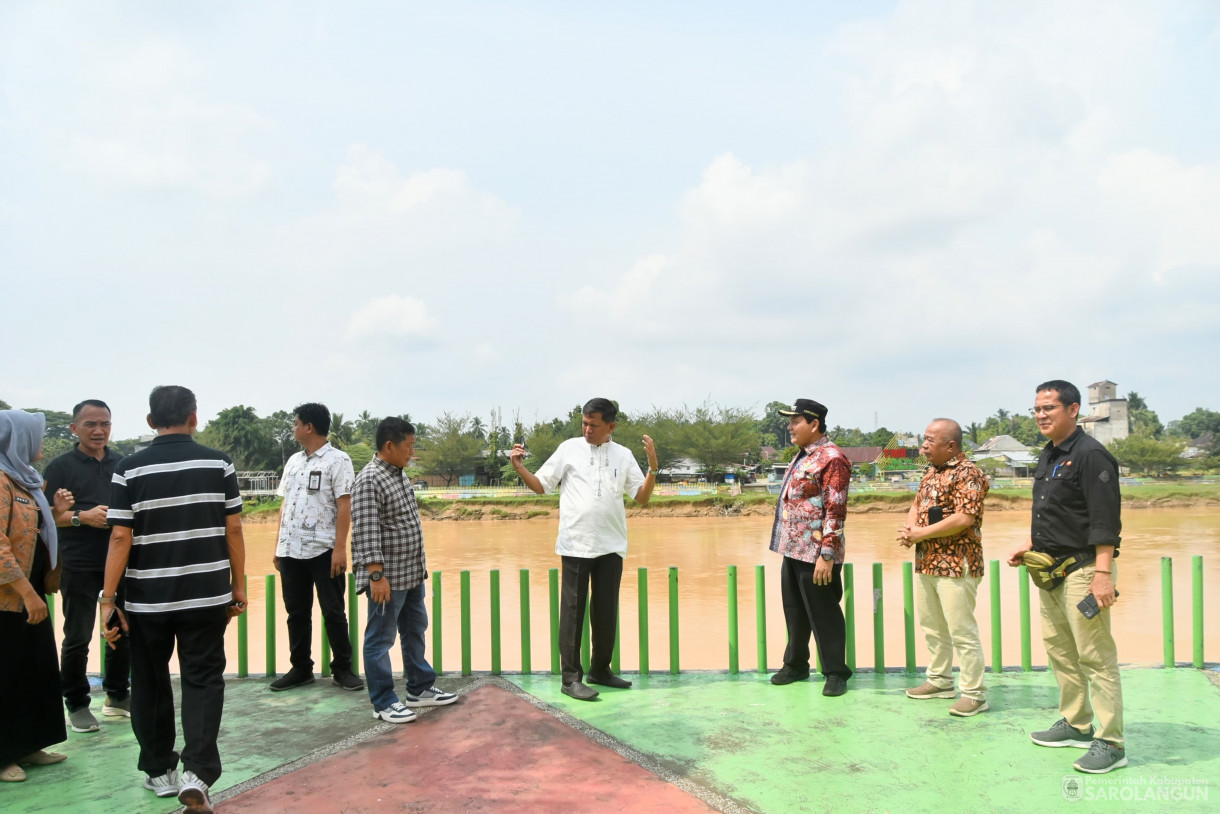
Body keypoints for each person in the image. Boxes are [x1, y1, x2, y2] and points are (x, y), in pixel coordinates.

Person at [102, 386, 247, 812]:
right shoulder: (218, 462)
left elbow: (119, 536)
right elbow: (234, 530)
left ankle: (159, 771)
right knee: (203, 679)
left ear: (150, 422)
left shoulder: (127, 469)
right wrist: (238, 587)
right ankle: (198, 773)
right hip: (206, 596)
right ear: (194, 417)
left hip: (148, 599)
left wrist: (107, 600)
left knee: (149, 681)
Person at [1007, 379, 1125, 774]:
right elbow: (1051, 511)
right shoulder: (1048, 454)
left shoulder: (1092, 456)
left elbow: (1105, 521)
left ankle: (1110, 742)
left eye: (1049, 408)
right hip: (1050, 570)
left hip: (1085, 569)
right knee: (1060, 650)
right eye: (1036, 409)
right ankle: (1076, 722)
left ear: (1073, 410)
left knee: (1095, 656)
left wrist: (1103, 574)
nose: (1041, 415)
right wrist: (1028, 544)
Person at [510, 397, 657, 701]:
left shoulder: (624, 455)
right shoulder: (569, 449)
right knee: (574, 612)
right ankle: (570, 678)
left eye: (594, 424)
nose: (588, 430)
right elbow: (541, 486)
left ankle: (600, 670)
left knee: (606, 611)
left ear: (611, 426)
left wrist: (653, 469)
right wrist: (518, 467)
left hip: (611, 545)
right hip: (576, 543)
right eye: (585, 424)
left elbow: (640, 497)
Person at [351, 417, 456, 724]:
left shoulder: (397, 474)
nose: (413, 452)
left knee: (414, 630)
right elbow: (366, 532)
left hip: (411, 573)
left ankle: (420, 689)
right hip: (388, 578)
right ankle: (383, 702)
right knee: (380, 639)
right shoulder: (370, 479)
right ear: (389, 446)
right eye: (409, 446)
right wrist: (376, 576)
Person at [42, 399, 131, 732]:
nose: (99, 431)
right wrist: (82, 517)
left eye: (105, 424)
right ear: (74, 428)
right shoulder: (59, 467)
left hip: (119, 561)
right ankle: (77, 703)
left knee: (121, 630)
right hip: (78, 564)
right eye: (91, 424)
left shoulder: (122, 464)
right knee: (77, 636)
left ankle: (118, 696)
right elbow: (47, 519)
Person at [898, 418, 989, 717]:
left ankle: (975, 694)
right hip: (927, 561)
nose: (923, 446)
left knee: (962, 631)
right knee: (932, 627)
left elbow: (965, 518)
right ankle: (940, 681)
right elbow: (916, 504)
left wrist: (920, 534)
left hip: (956, 563)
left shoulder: (970, 473)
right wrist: (911, 530)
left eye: (929, 440)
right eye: (923, 439)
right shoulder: (929, 473)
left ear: (950, 445)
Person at [269, 403, 362, 692]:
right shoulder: (293, 462)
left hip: (324, 550)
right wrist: (277, 544)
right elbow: (285, 504)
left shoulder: (339, 460)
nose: (293, 428)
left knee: (333, 611)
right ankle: (300, 668)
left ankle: (342, 669)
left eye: (296, 423)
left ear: (309, 427)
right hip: (290, 549)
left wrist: (340, 548)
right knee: (296, 612)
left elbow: (344, 504)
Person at [0, 410, 70, 783]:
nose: (41, 441)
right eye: (37, 435)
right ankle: (3, 754)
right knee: (6, 676)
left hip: (31, 593)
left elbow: (32, 531)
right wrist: (27, 594)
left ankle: (29, 744)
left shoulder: (24, 481)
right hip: (8, 599)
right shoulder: (0, 480)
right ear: (19, 439)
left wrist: (56, 514)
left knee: (33, 671)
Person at [768, 399, 852, 697]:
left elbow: (836, 509)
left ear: (814, 425)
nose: (790, 427)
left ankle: (835, 672)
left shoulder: (832, 458)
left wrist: (827, 555)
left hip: (817, 554)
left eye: (795, 422)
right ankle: (796, 665)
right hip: (793, 549)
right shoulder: (803, 456)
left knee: (824, 612)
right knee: (795, 610)